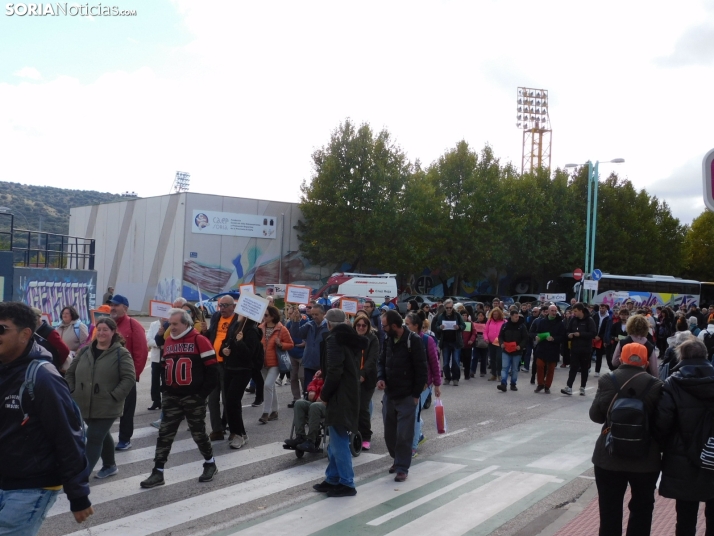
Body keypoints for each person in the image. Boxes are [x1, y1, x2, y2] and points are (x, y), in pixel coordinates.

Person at [0, 302, 93, 532]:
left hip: (31, 486)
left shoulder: (43, 377)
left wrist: (78, 495)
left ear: (25, 335)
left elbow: (67, 436)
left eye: (2, 329)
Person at [589, 342, 663, 536]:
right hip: (645, 458)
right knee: (642, 508)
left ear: (621, 358)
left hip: (609, 456)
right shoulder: (656, 385)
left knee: (609, 509)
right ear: (646, 361)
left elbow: (596, 416)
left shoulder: (608, 380)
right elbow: (662, 423)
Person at [140, 308, 219, 488]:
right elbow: (164, 367)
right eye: (170, 323)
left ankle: (210, 463)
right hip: (172, 397)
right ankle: (158, 471)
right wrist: (165, 390)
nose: (171, 327)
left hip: (193, 397)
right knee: (164, 435)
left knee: (198, 433)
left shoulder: (200, 340)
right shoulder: (168, 342)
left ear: (186, 323)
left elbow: (212, 371)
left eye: (175, 324)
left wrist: (200, 395)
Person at [655, 339, 714, 536]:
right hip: (713, 456)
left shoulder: (673, 383)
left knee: (685, 516)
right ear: (705, 355)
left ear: (682, 357)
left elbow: (663, 422)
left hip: (682, 457)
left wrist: (666, 447)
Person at [65, 317, 135, 479]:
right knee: (102, 434)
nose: (102, 333)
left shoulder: (120, 353)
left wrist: (114, 396)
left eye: (106, 329)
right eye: (99, 329)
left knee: (94, 437)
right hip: (83, 403)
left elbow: (129, 378)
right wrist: (72, 390)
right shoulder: (85, 351)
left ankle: (82, 475)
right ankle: (110, 465)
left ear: (113, 332)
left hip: (108, 404)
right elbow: (70, 373)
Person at [312, 308, 365, 498]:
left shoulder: (334, 339)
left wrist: (324, 395)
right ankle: (333, 478)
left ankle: (346, 482)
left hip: (339, 394)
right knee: (336, 437)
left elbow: (334, 371)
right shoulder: (351, 338)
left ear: (328, 324)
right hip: (348, 392)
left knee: (338, 438)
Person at [377, 310, 428, 483]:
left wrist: (415, 395)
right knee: (389, 434)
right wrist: (381, 377)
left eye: (384, 326)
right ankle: (397, 459)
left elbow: (422, 370)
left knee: (404, 435)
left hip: (407, 396)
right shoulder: (387, 339)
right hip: (390, 394)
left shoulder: (413, 341)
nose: (382, 329)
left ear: (394, 325)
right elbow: (381, 361)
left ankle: (402, 467)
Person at [109, 295, 148, 451]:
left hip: (126, 377)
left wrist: (133, 376)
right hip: (108, 375)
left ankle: (125, 439)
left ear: (125, 307)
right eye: (111, 305)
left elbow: (141, 353)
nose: (112, 308)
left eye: (116, 305)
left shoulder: (133, 325)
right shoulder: (108, 325)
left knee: (126, 410)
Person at [221, 315, 262, 449]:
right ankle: (239, 432)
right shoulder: (235, 326)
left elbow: (250, 354)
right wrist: (224, 350)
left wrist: (240, 342)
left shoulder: (252, 331)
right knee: (229, 402)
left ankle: (238, 435)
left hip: (243, 370)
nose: (238, 315)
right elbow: (226, 343)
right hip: (229, 368)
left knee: (233, 401)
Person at [405, 312, 441, 458]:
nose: (404, 326)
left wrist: (436, 384)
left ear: (416, 326)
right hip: (408, 382)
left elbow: (434, 363)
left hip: (425, 384)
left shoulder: (428, 341)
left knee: (414, 414)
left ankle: (413, 447)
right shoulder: (404, 339)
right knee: (411, 413)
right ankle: (418, 434)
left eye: (407, 324)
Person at [205, 295, 239, 441]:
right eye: (220, 305)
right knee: (212, 398)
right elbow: (211, 336)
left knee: (228, 399)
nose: (222, 309)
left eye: (225, 305)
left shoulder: (238, 320)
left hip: (228, 364)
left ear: (233, 306)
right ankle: (217, 429)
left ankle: (231, 427)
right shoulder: (216, 317)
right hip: (213, 363)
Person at [258, 305, 294, 424]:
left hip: (275, 363)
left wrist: (281, 344)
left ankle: (265, 412)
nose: (264, 317)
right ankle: (275, 411)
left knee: (267, 385)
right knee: (270, 386)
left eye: (266, 315)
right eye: (263, 314)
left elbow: (290, 344)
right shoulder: (260, 328)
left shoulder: (281, 329)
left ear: (273, 316)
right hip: (262, 363)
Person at [353, 311, 379, 451]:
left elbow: (372, 359)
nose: (361, 327)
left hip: (367, 378)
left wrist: (363, 374)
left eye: (364, 325)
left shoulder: (373, 339)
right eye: (358, 325)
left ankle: (366, 436)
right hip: (353, 377)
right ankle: (354, 432)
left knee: (363, 407)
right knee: (352, 407)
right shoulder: (352, 339)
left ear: (368, 326)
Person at [284, 371, 326, 453]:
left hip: (328, 404)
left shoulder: (334, 372)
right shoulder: (321, 372)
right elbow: (313, 382)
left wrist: (324, 396)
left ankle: (311, 441)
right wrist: (312, 390)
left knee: (315, 406)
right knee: (298, 403)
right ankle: (300, 436)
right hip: (316, 401)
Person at [561, 303, 596, 396]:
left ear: (581, 311)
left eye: (575, 311)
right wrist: (569, 335)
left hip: (586, 349)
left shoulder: (589, 320)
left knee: (584, 369)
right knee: (573, 368)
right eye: (573, 311)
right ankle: (569, 387)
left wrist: (580, 334)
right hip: (574, 348)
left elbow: (593, 333)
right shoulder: (573, 320)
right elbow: (567, 330)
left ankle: (582, 387)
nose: (574, 313)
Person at [532, 304, 566, 394]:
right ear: (548, 311)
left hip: (553, 348)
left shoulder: (560, 323)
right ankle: (540, 384)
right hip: (542, 347)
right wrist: (536, 337)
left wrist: (554, 338)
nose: (554, 313)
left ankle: (547, 386)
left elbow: (563, 337)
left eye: (555, 311)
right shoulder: (542, 321)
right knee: (539, 365)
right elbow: (536, 332)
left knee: (551, 369)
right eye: (552, 311)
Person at [432, 299, 465, 386]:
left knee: (456, 361)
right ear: (445, 308)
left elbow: (464, 325)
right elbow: (436, 326)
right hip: (446, 342)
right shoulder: (441, 316)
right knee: (446, 362)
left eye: (450, 308)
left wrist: (459, 327)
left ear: (452, 307)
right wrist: (440, 327)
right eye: (447, 308)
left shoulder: (457, 315)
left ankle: (455, 378)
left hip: (456, 342)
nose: (449, 309)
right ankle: (447, 377)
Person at [497, 310, 529, 392]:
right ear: (511, 316)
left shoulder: (522, 326)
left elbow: (525, 338)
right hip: (506, 350)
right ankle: (503, 384)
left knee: (514, 369)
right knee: (504, 367)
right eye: (515, 316)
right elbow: (500, 336)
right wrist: (501, 343)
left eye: (517, 316)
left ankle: (513, 384)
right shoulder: (505, 325)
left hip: (517, 351)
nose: (517, 318)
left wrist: (520, 346)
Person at [299, 304, 328, 393]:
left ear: (323, 314)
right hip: (309, 363)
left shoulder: (329, 327)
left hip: (321, 366)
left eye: (317, 314)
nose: (314, 317)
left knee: (319, 392)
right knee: (308, 390)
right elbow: (297, 334)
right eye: (313, 314)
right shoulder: (309, 325)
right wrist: (295, 321)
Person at [31, 307, 70, 372]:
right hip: (36, 366)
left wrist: (57, 362)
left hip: (50, 367)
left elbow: (64, 350)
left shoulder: (49, 332)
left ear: (38, 318)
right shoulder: (31, 330)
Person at [285, 305, 307, 409]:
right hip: (292, 353)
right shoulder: (289, 323)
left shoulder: (305, 321)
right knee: (293, 377)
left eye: (292, 313)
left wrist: (306, 343)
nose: (290, 316)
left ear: (297, 313)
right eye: (289, 314)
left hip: (302, 354)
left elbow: (309, 335)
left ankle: (306, 397)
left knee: (302, 377)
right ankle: (296, 399)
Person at [484, 307, 505, 381]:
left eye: (496, 314)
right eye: (494, 314)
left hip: (500, 343)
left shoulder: (504, 322)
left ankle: (499, 374)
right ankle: (493, 374)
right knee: (492, 359)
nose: (495, 316)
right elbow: (485, 331)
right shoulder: (489, 321)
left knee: (499, 358)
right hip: (491, 343)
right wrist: (486, 339)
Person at [146, 318, 163, 411]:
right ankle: (156, 401)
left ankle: (166, 400)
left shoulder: (171, 323)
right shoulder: (154, 324)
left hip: (166, 357)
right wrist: (159, 345)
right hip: (156, 357)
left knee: (166, 380)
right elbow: (148, 340)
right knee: (155, 380)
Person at [593, 304, 612, 376]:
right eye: (600, 308)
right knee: (589, 354)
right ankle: (587, 368)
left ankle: (597, 371)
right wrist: (594, 335)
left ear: (606, 309)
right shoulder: (595, 316)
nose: (601, 309)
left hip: (601, 339)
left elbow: (607, 330)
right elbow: (592, 326)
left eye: (603, 308)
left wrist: (600, 337)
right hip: (593, 338)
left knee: (599, 356)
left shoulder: (608, 318)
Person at [459, 309, 477, 379]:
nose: (464, 317)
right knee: (460, 360)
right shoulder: (458, 323)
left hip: (468, 345)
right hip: (459, 345)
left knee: (468, 361)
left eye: (465, 315)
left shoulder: (470, 323)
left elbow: (474, 333)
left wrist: (471, 340)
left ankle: (467, 375)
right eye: (463, 315)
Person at [470, 311, 489, 377]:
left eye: (481, 316)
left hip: (484, 341)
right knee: (475, 357)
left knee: (484, 357)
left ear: (484, 316)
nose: (480, 317)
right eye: (479, 316)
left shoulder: (487, 323)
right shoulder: (474, 323)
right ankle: (472, 371)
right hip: (476, 341)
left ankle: (483, 371)